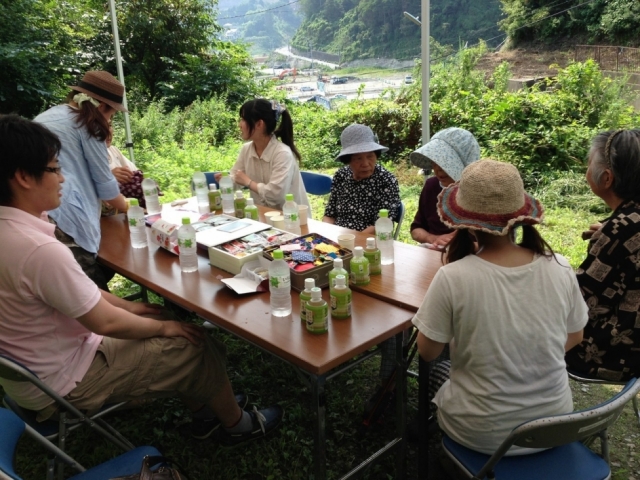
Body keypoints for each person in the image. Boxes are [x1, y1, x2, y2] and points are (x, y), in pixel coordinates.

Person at [0, 114, 283, 445]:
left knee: (162, 317)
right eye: (54, 168)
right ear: (23, 177)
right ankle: (236, 424)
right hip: (64, 382)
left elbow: (85, 294)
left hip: (30, 374)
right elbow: (105, 323)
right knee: (193, 342)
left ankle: (204, 410)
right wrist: (164, 328)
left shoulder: (15, 234)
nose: (63, 178)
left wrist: (137, 311)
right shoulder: (38, 250)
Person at [413, 159, 587, 455]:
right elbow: (575, 337)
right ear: (520, 218)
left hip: (482, 435)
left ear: (464, 222)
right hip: (553, 426)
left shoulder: (453, 276)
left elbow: (427, 352)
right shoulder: (560, 267)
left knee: (440, 371)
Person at [34, 70, 129, 290]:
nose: (109, 120)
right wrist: (128, 206)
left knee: (63, 288)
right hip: (67, 217)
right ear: (104, 107)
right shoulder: (91, 124)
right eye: (112, 115)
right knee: (89, 293)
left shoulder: (47, 116)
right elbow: (105, 186)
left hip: (36, 213)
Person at [565, 129, 640, 382]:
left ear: (606, 178)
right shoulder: (625, 225)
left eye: (588, 164)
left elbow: (580, 299)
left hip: (619, 353)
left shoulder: (618, 231)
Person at [217, 99, 310, 212]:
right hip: (262, 216)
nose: (239, 125)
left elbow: (276, 196)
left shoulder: (282, 153)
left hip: (290, 220)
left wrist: (248, 182)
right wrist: (226, 180)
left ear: (259, 124)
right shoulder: (246, 150)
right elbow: (236, 180)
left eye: (243, 119)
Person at [409, 127, 480, 249]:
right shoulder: (431, 186)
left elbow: (498, 246)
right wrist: (433, 239)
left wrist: (459, 246)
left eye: (445, 163)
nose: (438, 169)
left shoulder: (481, 191)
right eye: (435, 162)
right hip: (433, 252)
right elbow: (416, 229)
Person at [323, 124, 401, 233]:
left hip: (368, 242)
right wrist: (327, 234)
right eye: (358, 158)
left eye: (370, 156)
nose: (365, 164)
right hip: (338, 237)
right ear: (348, 160)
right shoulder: (341, 176)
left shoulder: (386, 180)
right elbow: (329, 215)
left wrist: (351, 242)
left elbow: (380, 225)